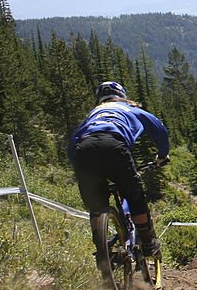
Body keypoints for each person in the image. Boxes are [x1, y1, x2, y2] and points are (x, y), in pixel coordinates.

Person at [68, 81, 169, 268]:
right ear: (122, 95)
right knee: (134, 193)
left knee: (96, 205)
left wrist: (80, 168)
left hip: (85, 150)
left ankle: (102, 251)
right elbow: (160, 130)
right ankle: (148, 242)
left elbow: (72, 143)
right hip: (114, 146)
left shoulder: (92, 114)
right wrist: (162, 155)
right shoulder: (128, 109)